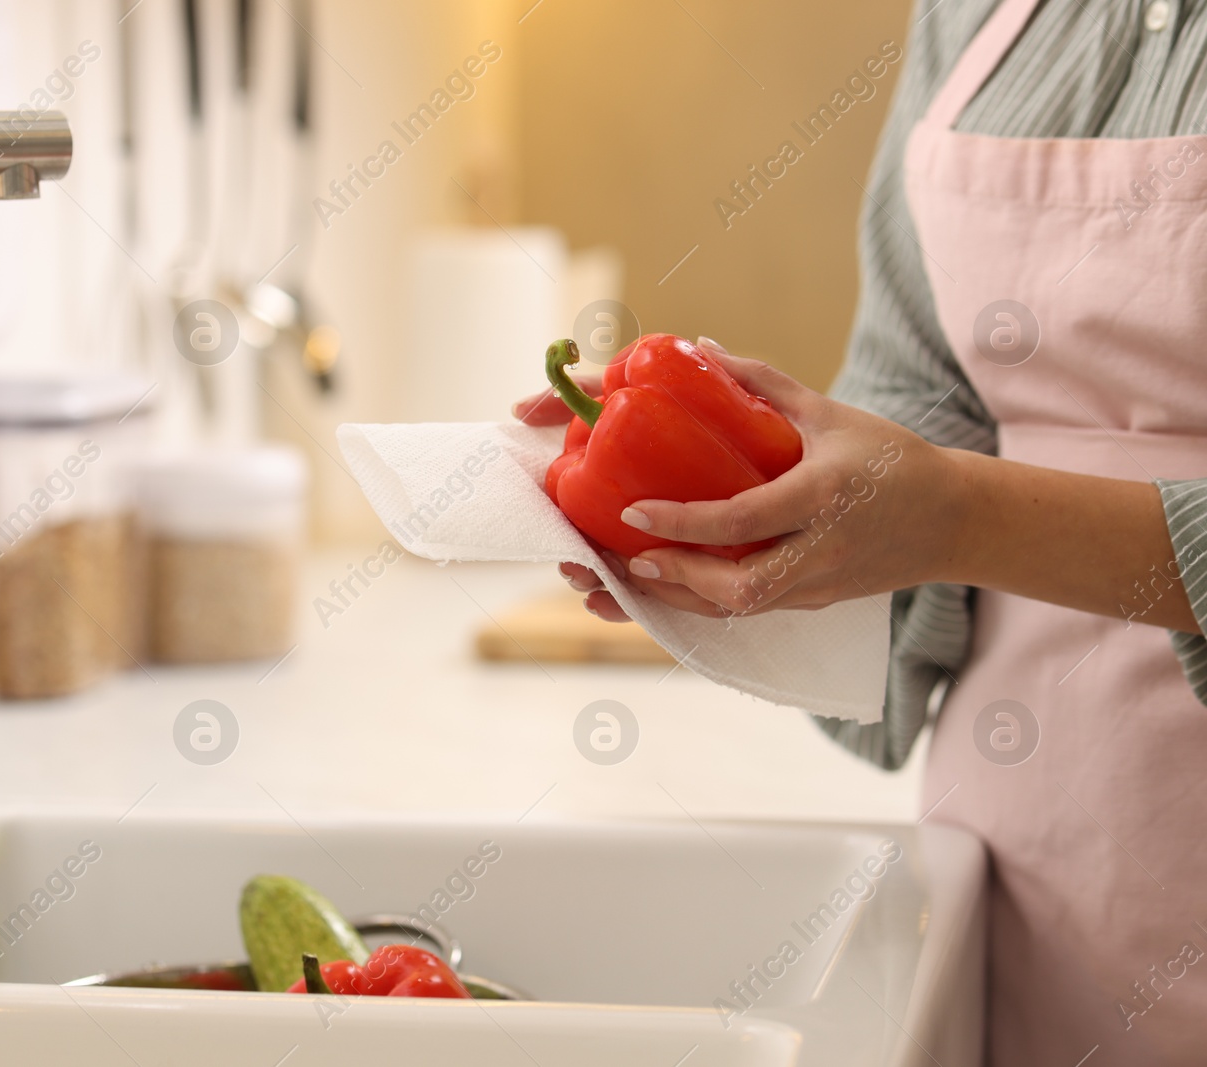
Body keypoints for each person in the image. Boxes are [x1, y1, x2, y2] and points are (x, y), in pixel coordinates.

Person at [516, 0, 1207, 1062]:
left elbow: (948, 495)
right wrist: (750, 517)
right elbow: (921, 378)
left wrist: (959, 514)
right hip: (1028, 843)